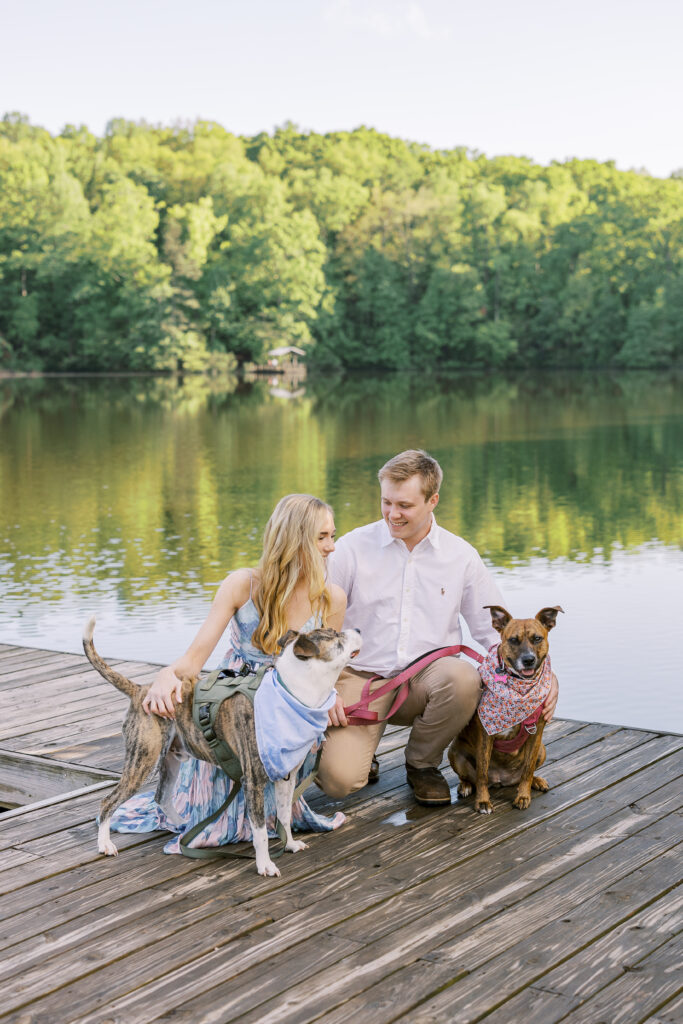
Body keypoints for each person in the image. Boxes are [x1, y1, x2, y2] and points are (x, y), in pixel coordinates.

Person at [107, 494, 348, 852]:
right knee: (218, 794)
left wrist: (331, 697)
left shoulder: (331, 598)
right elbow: (195, 657)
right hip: (235, 702)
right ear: (293, 540)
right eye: (321, 537)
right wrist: (166, 676)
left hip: (286, 706)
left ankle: (277, 810)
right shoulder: (242, 584)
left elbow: (325, 670)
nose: (331, 546)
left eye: (332, 535)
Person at [318, 450, 559, 807]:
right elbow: (319, 628)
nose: (392, 513)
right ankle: (363, 757)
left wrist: (548, 680)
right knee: (337, 781)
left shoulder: (460, 555)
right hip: (359, 678)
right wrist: (325, 691)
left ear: (433, 501)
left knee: (465, 679)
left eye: (404, 505)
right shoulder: (351, 548)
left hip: (427, 681)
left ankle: (421, 765)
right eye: (386, 502)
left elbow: (498, 636)